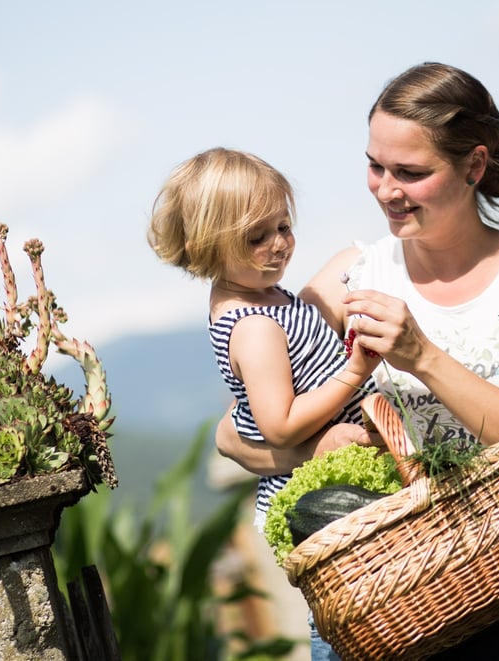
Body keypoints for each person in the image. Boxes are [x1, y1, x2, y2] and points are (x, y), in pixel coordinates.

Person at [215, 63, 499, 660]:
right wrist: (313, 448)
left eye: (411, 173)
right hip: (379, 609)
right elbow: (234, 431)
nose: (385, 189)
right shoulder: (351, 277)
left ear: (474, 166)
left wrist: (421, 356)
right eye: (375, 166)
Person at [147, 147, 381, 532]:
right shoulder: (254, 326)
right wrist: (356, 369)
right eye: (257, 237)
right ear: (208, 245)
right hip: (322, 499)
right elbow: (282, 426)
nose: (278, 244)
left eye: (284, 227)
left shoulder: (265, 296)